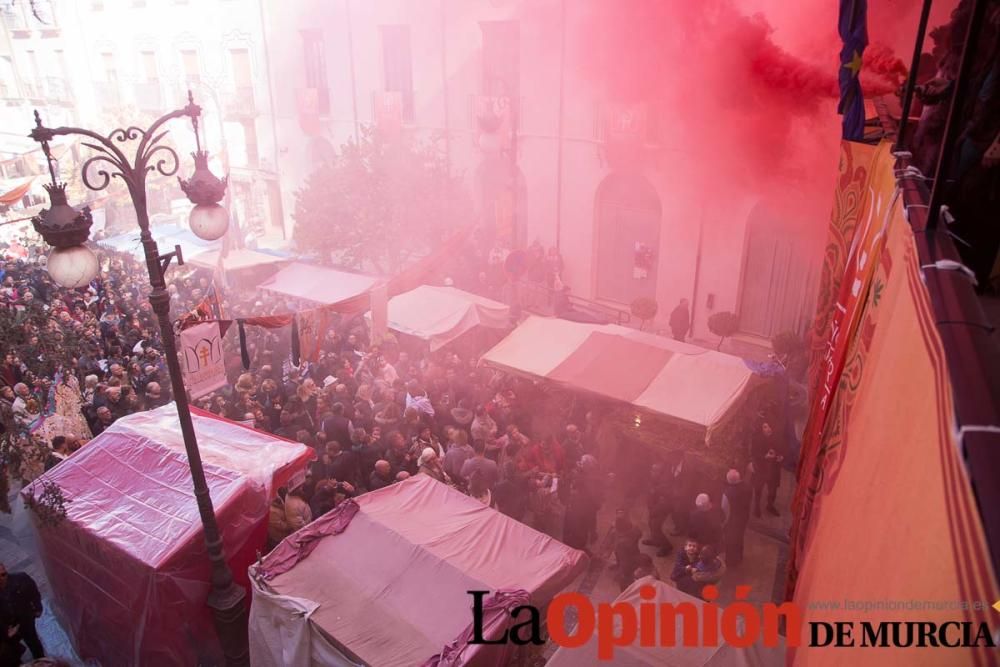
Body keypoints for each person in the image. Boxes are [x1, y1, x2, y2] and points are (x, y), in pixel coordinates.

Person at [0, 562, 43, 662]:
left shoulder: (21, 579)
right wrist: (5, 630)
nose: (1, 579)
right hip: (7, 626)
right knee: (11, 652)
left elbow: (34, 593)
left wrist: (38, 608)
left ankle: (41, 661)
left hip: (25, 620)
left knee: (33, 642)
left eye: (3, 574)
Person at [750, 421, 784, 517]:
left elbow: (782, 449)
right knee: (758, 490)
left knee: (773, 490)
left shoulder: (776, 437)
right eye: (765, 427)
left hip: (774, 469)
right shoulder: (757, 439)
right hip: (761, 468)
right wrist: (765, 456)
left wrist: (780, 456)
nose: (768, 429)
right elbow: (754, 453)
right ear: (761, 429)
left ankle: (770, 505)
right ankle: (756, 507)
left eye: (769, 426)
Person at [721, 469, 752, 566]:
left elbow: (725, 510)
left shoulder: (728, 493)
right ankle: (739, 556)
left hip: (732, 522)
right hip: (743, 518)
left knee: (730, 542)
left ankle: (731, 561)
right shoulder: (748, 487)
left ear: (729, 480)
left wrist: (723, 524)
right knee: (740, 538)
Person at [611, 510, 642, 591]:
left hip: (626, 559)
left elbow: (625, 562)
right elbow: (640, 534)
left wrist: (622, 573)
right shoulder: (634, 528)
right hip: (634, 552)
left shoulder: (622, 543)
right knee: (621, 560)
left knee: (625, 579)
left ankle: (625, 592)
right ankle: (619, 566)